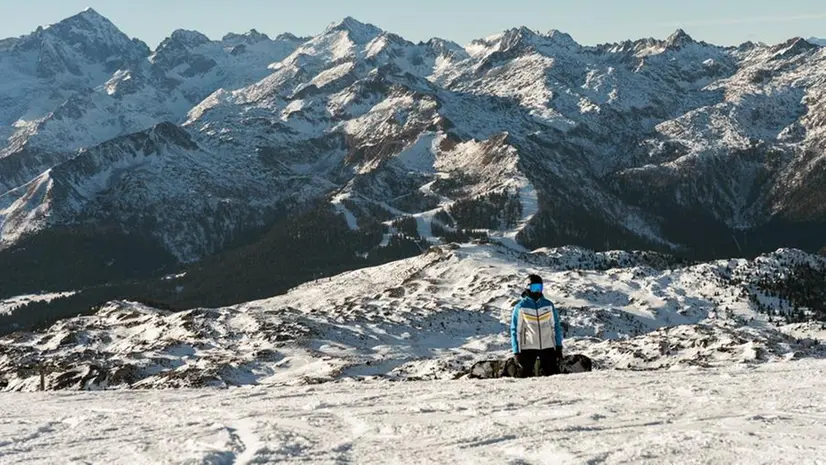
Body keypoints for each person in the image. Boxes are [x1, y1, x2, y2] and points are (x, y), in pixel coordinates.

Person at [510, 274, 563, 377]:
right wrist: (516, 352)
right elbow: (515, 331)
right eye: (535, 288)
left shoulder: (548, 305)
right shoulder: (520, 307)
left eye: (540, 287)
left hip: (548, 347)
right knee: (525, 378)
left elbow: (555, 326)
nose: (538, 291)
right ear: (527, 287)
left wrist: (558, 346)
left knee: (553, 377)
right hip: (528, 349)